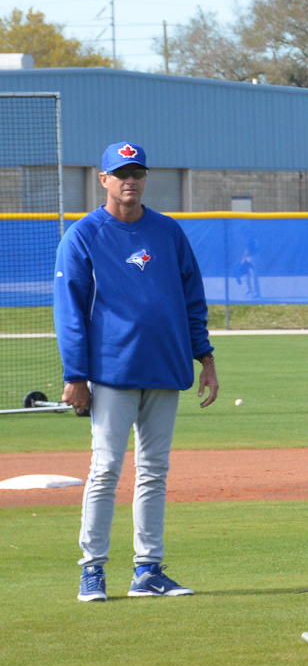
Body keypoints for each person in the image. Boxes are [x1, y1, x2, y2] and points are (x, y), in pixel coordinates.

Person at [54, 142, 219, 602]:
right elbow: (69, 312)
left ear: (146, 178)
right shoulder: (84, 235)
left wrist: (205, 357)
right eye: (121, 172)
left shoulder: (168, 232)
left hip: (165, 367)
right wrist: (75, 375)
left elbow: (193, 300)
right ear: (103, 179)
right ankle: (93, 569)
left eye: (137, 172)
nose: (130, 180)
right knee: (105, 468)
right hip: (111, 372)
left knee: (153, 471)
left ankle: (147, 570)